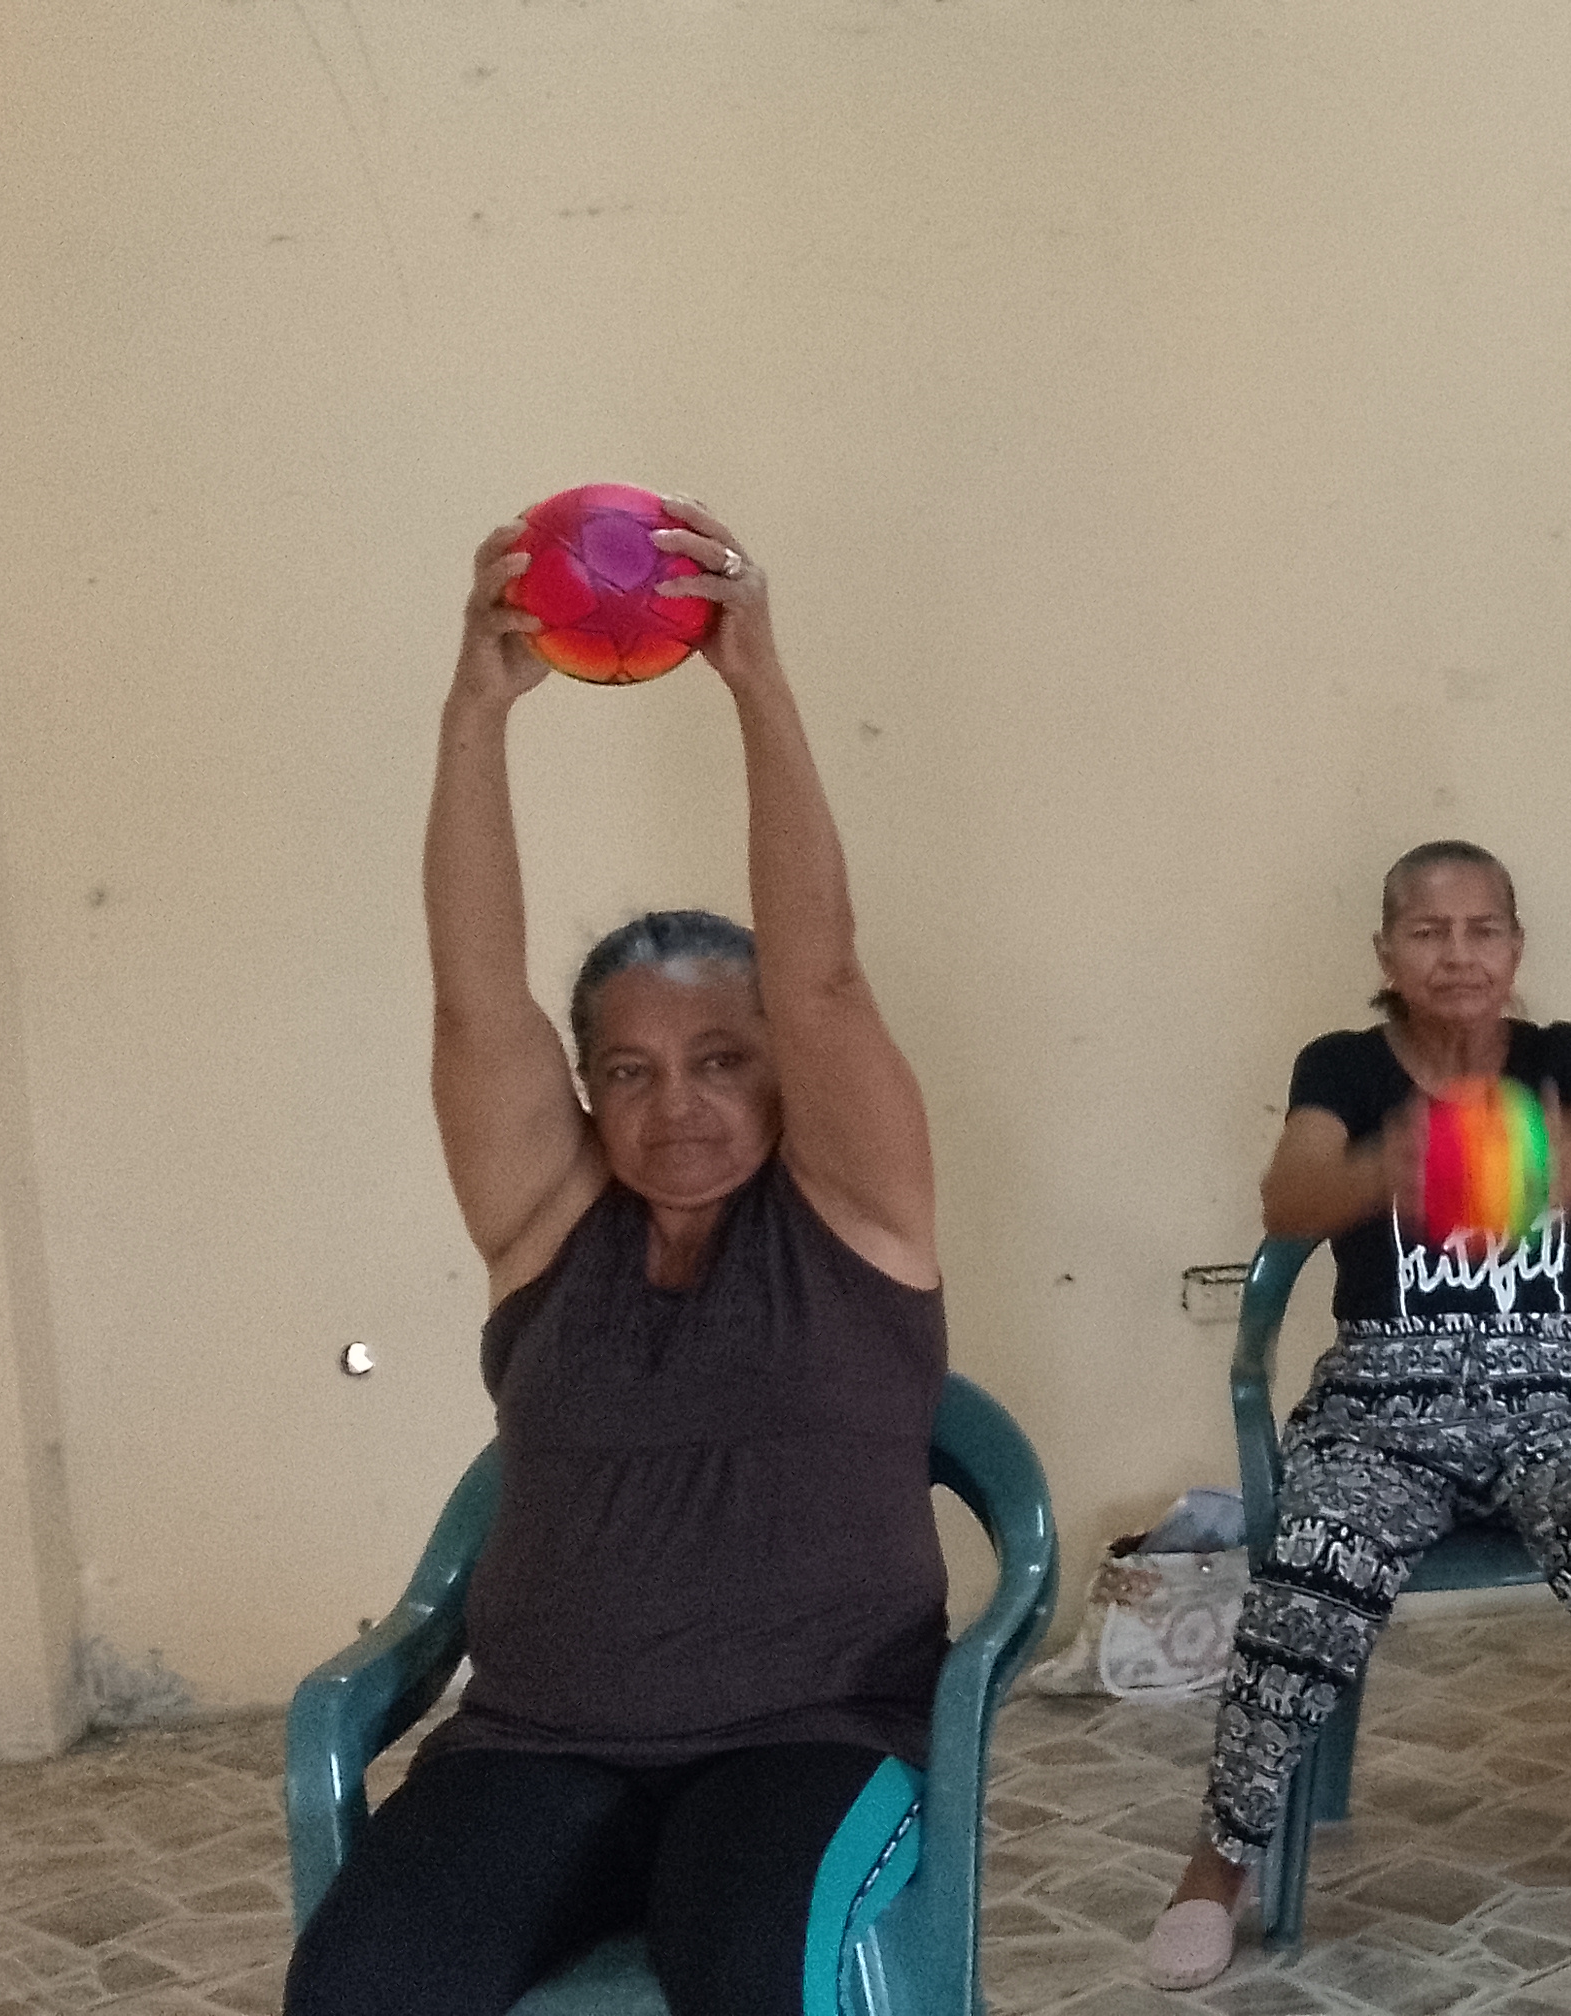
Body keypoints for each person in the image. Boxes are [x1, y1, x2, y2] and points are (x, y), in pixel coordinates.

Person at [290, 505, 948, 2015]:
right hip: (538, 1745)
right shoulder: (548, 1227)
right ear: (585, 1090)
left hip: (811, 1737)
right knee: (362, 1986)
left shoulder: (861, 1214)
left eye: (722, 1060)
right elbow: (473, 999)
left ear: (781, 1071)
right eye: (631, 1073)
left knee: (754, 1973)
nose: (680, 1106)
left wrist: (756, 681)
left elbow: (823, 977)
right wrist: (476, 712)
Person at [1142, 842, 1571, 1988]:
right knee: (1304, 1582)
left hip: (1551, 1394)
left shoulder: (1567, 1056)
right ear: (1386, 954)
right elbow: (1289, 1198)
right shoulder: (1342, 1067)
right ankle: (1216, 1868)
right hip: (1380, 1405)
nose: (1456, 954)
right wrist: (1387, 1169)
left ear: (1515, 947)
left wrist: (1540, 1157)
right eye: (1427, 932)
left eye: (1482, 930)